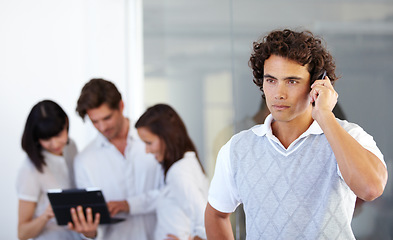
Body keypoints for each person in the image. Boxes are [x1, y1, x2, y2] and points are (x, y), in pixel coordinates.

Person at [205, 29, 388, 239]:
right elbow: (216, 214)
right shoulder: (238, 148)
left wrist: (325, 115)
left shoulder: (349, 135)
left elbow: (371, 189)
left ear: (316, 84)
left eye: (292, 81)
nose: (278, 93)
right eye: (271, 80)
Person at [74, 79, 162, 240]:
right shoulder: (84, 161)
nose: (102, 127)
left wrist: (129, 205)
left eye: (107, 118)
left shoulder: (155, 141)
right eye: (94, 121)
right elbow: (93, 223)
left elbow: (172, 193)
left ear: (121, 106)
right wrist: (89, 233)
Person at [16, 100, 99, 240]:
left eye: (59, 135)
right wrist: (46, 216)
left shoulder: (70, 146)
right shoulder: (30, 170)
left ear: (66, 124)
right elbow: (22, 233)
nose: (54, 144)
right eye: (46, 139)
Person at [135, 104, 209, 240]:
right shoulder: (185, 164)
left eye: (149, 143)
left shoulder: (179, 172)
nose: (147, 150)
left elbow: (206, 220)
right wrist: (127, 205)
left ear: (166, 137)